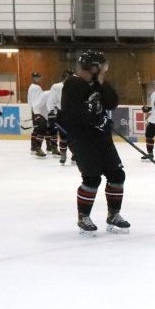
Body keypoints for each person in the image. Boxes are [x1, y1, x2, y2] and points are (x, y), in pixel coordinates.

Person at [58, 50, 130, 235]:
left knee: (117, 175)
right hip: (81, 138)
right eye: (102, 67)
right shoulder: (73, 83)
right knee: (92, 178)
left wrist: (102, 83)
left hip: (101, 138)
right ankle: (83, 217)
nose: (104, 70)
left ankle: (113, 215)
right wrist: (96, 120)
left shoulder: (97, 83)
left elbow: (112, 103)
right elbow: (73, 112)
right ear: (93, 67)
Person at [47, 70, 74, 165]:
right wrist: (51, 112)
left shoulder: (75, 86)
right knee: (63, 136)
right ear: (64, 77)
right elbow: (51, 100)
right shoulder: (56, 87)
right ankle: (63, 154)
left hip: (73, 115)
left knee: (75, 136)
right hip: (62, 114)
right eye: (69, 77)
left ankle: (75, 155)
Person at [27, 72, 45, 156]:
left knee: (36, 129)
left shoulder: (31, 87)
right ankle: (38, 148)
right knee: (41, 130)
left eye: (39, 77)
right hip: (37, 111)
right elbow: (39, 100)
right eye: (37, 77)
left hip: (34, 111)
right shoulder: (36, 88)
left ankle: (33, 147)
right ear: (33, 78)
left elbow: (30, 101)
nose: (39, 79)